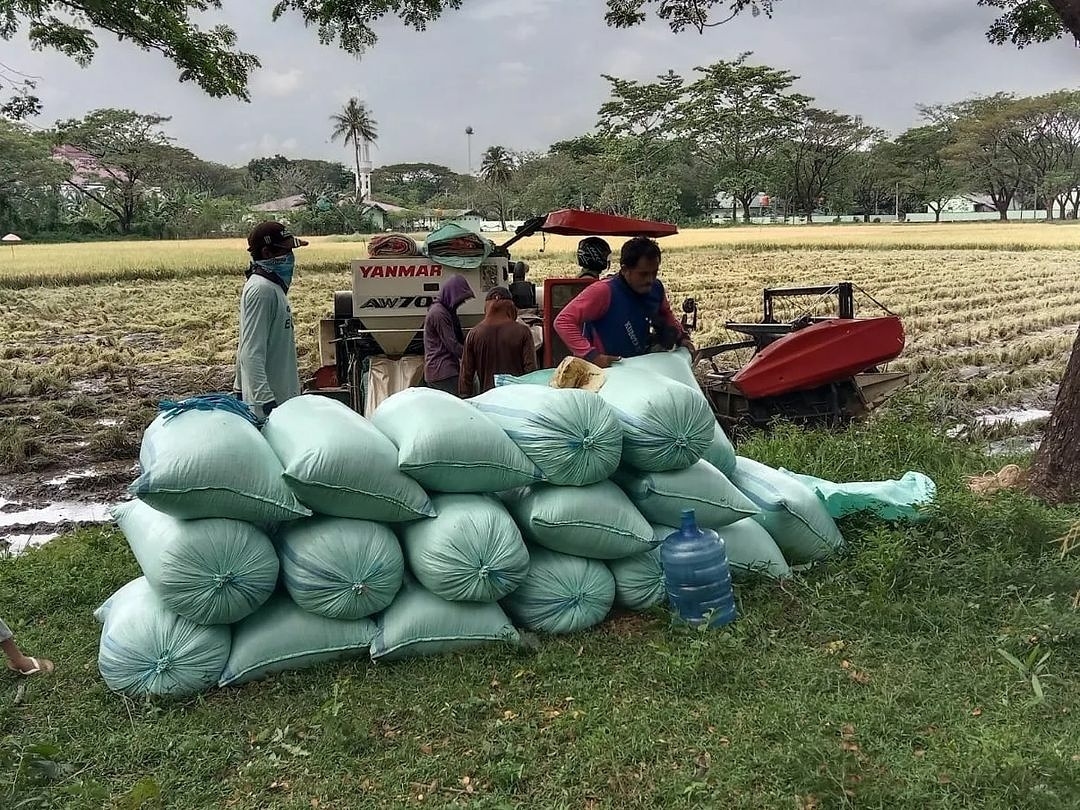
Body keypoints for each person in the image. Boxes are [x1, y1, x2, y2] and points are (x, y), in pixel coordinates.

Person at [554, 236, 694, 369]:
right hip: (607, 370)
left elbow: (666, 314)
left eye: (654, 272)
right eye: (643, 274)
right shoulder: (604, 291)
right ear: (625, 269)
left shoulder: (656, 288)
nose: (650, 280)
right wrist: (591, 355)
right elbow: (563, 321)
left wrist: (682, 337)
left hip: (636, 365)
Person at [234, 221, 308, 419]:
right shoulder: (262, 291)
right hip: (271, 407)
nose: (291, 257)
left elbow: (245, 342)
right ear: (267, 253)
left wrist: (239, 386)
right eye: (285, 251)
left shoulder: (272, 287)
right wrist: (266, 401)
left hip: (281, 401)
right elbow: (250, 351)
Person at [459, 287, 537, 397]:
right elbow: (531, 371)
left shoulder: (474, 333)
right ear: (511, 307)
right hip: (517, 398)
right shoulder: (523, 332)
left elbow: (466, 374)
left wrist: (465, 398)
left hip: (488, 400)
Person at [423, 274, 476, 395]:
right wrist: (473, 358)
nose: (462, 302)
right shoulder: (439, 314)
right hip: (443, 371)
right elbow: (452, 344)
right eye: (460, 298)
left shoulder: (446, 311)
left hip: (442, 370)